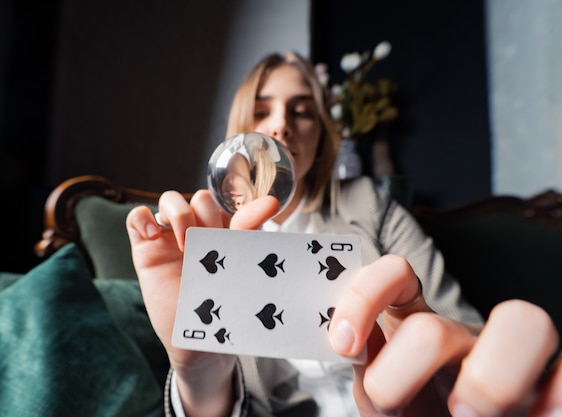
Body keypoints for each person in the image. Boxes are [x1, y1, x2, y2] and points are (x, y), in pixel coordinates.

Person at [126, 51, 561, 417]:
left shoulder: (368, 204)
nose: (280, 126)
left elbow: (460, 327)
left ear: (323, 136)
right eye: (263, 110)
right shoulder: (205, 242)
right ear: (238, 130)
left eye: (301, 111)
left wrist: (462, 374)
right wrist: (199, 372)